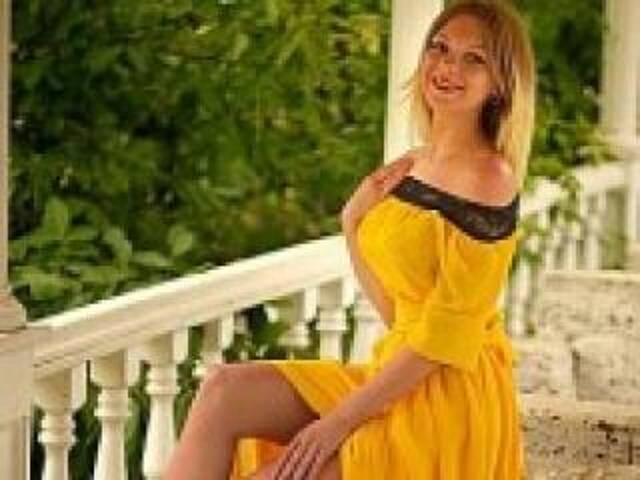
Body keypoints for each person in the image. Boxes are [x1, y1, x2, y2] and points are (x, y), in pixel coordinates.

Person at [163, 0, 536, 478]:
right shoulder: (415, 163)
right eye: (440, 48)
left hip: (449, 402)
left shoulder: (489, 177)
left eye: (474, 59)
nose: (448, 67)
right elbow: (400, 315)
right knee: (222, 390)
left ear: (501, 83)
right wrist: (351, 220)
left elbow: (444, 339)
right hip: (398, 373)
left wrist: (337, 423)